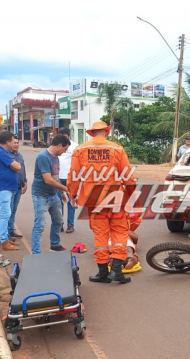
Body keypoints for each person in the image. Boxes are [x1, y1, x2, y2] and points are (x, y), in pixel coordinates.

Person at [67, 121, 135, 284]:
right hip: (115, 197)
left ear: (91, 133)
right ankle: (117, 271)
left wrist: (73, 194)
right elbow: (127, 175)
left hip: (94, 198)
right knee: (119, 232)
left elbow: (74, 174)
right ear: (106, 132)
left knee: (100, 233)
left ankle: (103, 272)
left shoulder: (81, 149)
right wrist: (130, 194)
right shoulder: (117, 148)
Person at [31, 135, 71, 254]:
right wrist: (68, 189)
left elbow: (55, 178)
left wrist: (63, 192)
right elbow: (48, 180)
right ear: (59, 145)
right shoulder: (44, 157)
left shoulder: (56, 158)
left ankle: (55, 244)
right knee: (40, 225)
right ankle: (36, 253)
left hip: (53, 195)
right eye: (64, 149)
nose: (64, 152)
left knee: (58, 221)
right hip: (41, 196)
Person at [0, 131, 22, 251]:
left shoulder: (3, 151)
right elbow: (18, 167)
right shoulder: (0, 152)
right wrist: (14, 165)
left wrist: (14, 166)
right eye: (12, 140)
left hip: (7, 187)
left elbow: (16, 166)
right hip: (3, 187)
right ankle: (3, 240)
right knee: (5, 214)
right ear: (8, 142)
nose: (14, 143)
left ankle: (5, 239)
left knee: (7, 213)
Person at [57, 128, 77, 233]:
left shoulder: (75, 146)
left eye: (64, 136)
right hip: (58, 178)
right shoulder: (56, 144)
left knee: (71, 202)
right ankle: (60, 224)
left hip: (70, 178)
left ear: (68, 136)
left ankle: (70, 225)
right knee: (59, 202)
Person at [7, 136, 26, 240]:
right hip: (11, 187)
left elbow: (23, 169)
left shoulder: (19, 155)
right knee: (8, 210)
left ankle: (11, 230)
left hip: (19, 186)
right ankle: (7, 232)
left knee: (13, 209)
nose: (16, 144)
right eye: (14, 142)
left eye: (17, 142)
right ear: (9, 143)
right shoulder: (7, 155)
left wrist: (25, 181)